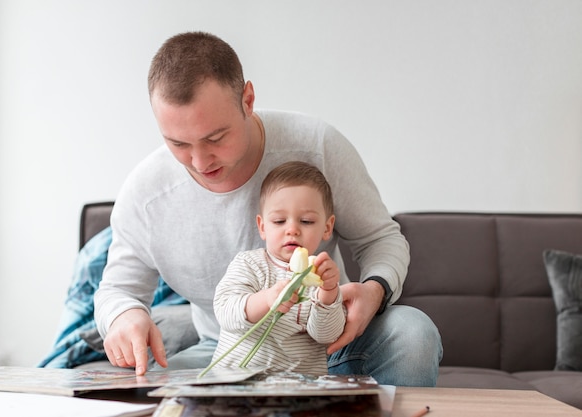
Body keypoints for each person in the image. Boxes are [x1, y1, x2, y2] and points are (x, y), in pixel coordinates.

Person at [94, 31, 442, 385]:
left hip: (327, 348)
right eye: (178, 143)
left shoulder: (316, 145)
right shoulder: (146, 194)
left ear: (248, 100)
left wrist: (374, 291)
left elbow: (381, 239)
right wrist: (124, 316)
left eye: (215, 138)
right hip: (227, 350)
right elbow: (117, 291)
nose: (199, 162)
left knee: (413, 333)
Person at [211, 161, 345, 375]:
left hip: (300, 386)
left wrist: (328, 294)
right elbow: (225, 312)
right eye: (280, 221)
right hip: (238, 381)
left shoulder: (321, 276)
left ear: (327, 227)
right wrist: (265, 300)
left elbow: (327, 336)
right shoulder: (249, 263)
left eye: (307, 221)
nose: (292, 229)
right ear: (263, 226)